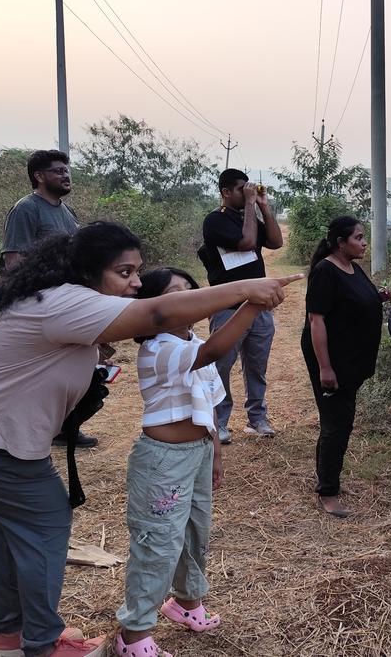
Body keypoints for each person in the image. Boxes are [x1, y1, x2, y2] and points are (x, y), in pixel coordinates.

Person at [0, 222, 299, 657]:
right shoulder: (67, 300)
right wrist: (246, 289)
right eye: (124, 273)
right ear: (88, 271)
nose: (135, 284)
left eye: (137, 272)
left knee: (7, 527)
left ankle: (11, 638)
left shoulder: (50, 295)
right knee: (45, 522)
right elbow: (157, 315)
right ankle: (40, 644)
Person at [115, 267, 279, 657]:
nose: (189, 298)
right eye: (176, 294)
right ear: (153, 308)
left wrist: (215, 453)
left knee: (194, 533)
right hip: (163, 463)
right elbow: (213, 352)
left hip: (198, 454)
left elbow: (208, 404)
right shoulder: (159, 349)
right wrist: (251, 303)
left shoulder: (193, 340)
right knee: (157, 544)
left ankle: (186, 603)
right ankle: (133, 634)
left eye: (191, 291)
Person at [1, 148, 102, 449]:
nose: (66, 175)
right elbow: (13, 260)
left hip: (69, 300)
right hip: (42, 304)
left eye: (67, 170)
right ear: (39, 176)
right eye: (58, 171)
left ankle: (64, 428)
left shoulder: (66, 212)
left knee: (74, 371)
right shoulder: (26, 209)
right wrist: (26, 301)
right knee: (38, 373)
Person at [301, 216, 390, 518]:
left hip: (352, 361)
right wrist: (325, 368)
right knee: (336, 425)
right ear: (341, 242)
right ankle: (327, 492)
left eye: (364, 237)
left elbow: (349, 301)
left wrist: (375, 298)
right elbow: (316, 321)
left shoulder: (352, 268)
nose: (364, 243)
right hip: (333, 362)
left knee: (343, 420)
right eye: (359, 238)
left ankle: (331, 478)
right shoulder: (325, 271)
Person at [198, 168, 285, 443]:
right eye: (241, 189)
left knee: (257, 365)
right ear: (225, 192)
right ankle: (219, 422)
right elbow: (247, 243)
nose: (247, 192)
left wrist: (263, 206)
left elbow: (275, 241)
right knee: (222, 365)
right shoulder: (215, 221)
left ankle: (257, 418)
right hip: (227, 306)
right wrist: (249, 205)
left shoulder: (249, 216)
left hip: (258, 304)